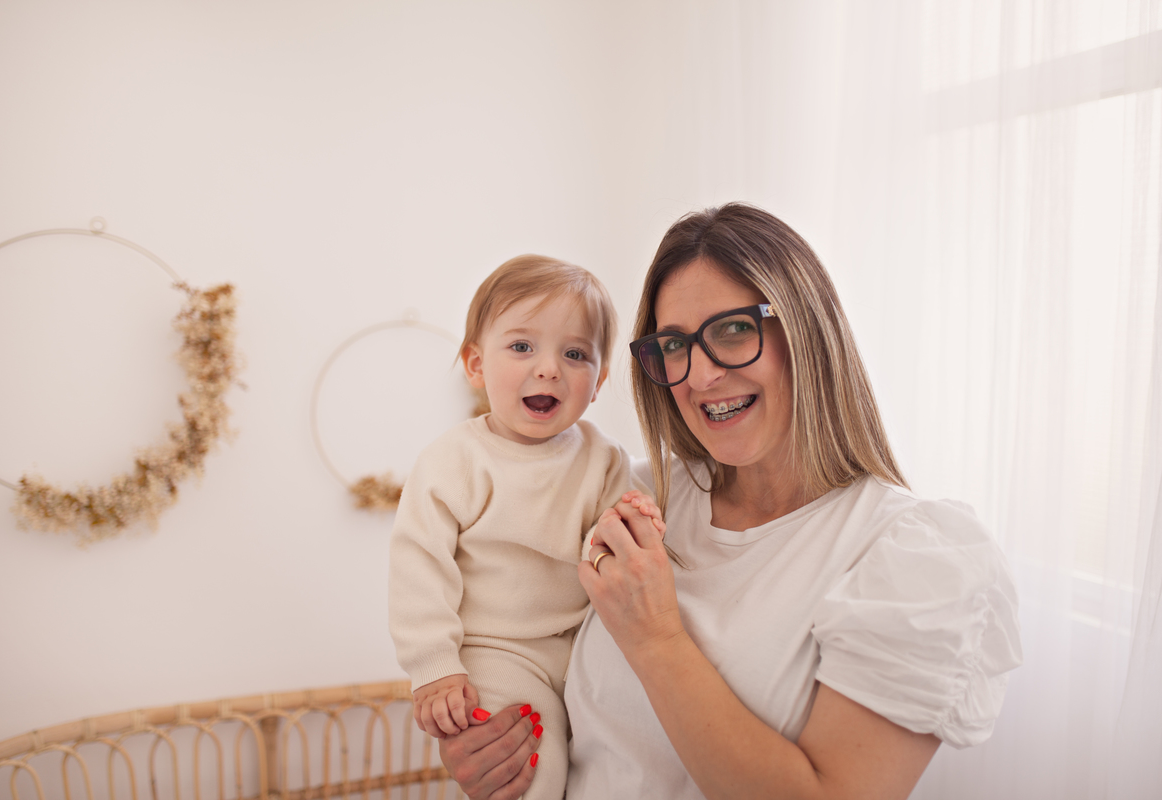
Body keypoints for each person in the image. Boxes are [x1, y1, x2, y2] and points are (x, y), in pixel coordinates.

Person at [438, 204, 1023, 800]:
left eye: (734, 330)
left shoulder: (913, 559)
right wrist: (494, 739)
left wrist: (657, 637)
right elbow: (517, 635)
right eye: (674, 344)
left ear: (807, 331)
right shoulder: (634, 498)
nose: (700, 375)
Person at [387, 254, 661, 800]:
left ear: (599, 381)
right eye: (521, 346)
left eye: (575, 353)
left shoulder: (604, 459)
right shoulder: (456, 460)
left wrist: (637, 519)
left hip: (583, 648)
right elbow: (419, 565)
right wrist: (435, 667)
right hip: (498, 651)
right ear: (475, 365)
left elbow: (606, 544)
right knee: (534, 771)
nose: (549, 368)